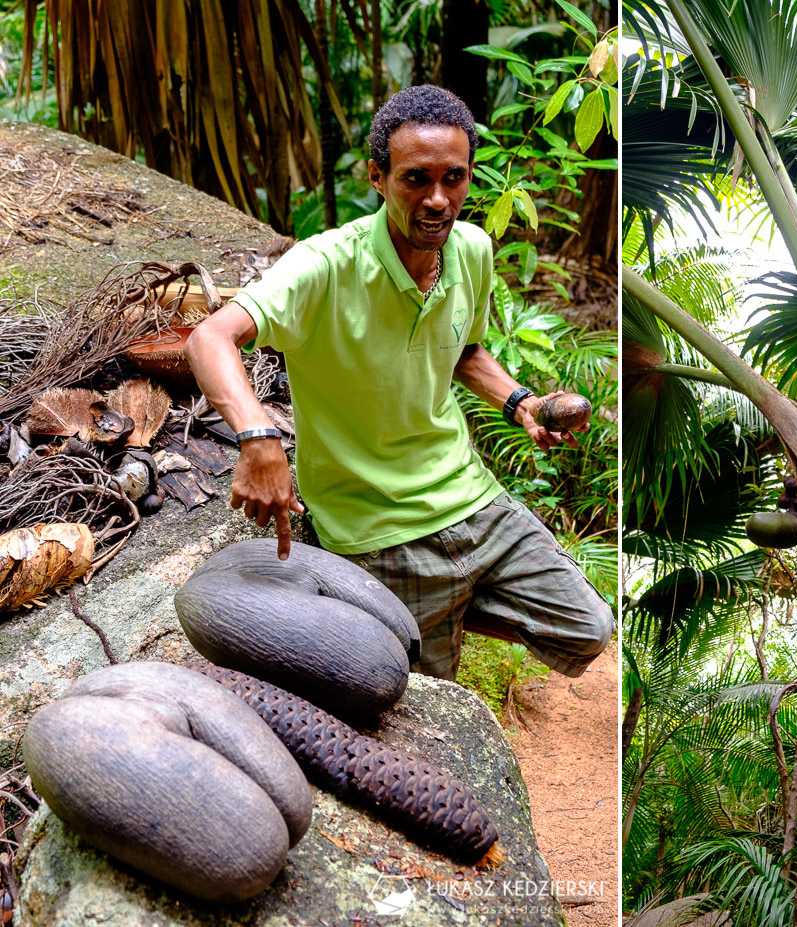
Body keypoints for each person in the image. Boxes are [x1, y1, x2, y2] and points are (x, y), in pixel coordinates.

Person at [185, 85, 613, 681]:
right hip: (376, 529)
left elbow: (463, 349)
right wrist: (259, 439)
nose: (438, 200)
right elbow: (209, 339)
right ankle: (412, 611)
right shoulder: (326, 263)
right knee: (420, 696)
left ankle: (448, 605)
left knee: (589, 627)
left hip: (471, 496)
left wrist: (521, 401)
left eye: (454, 179)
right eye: (416, 179)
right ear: (378, 178)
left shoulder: (472, 249)